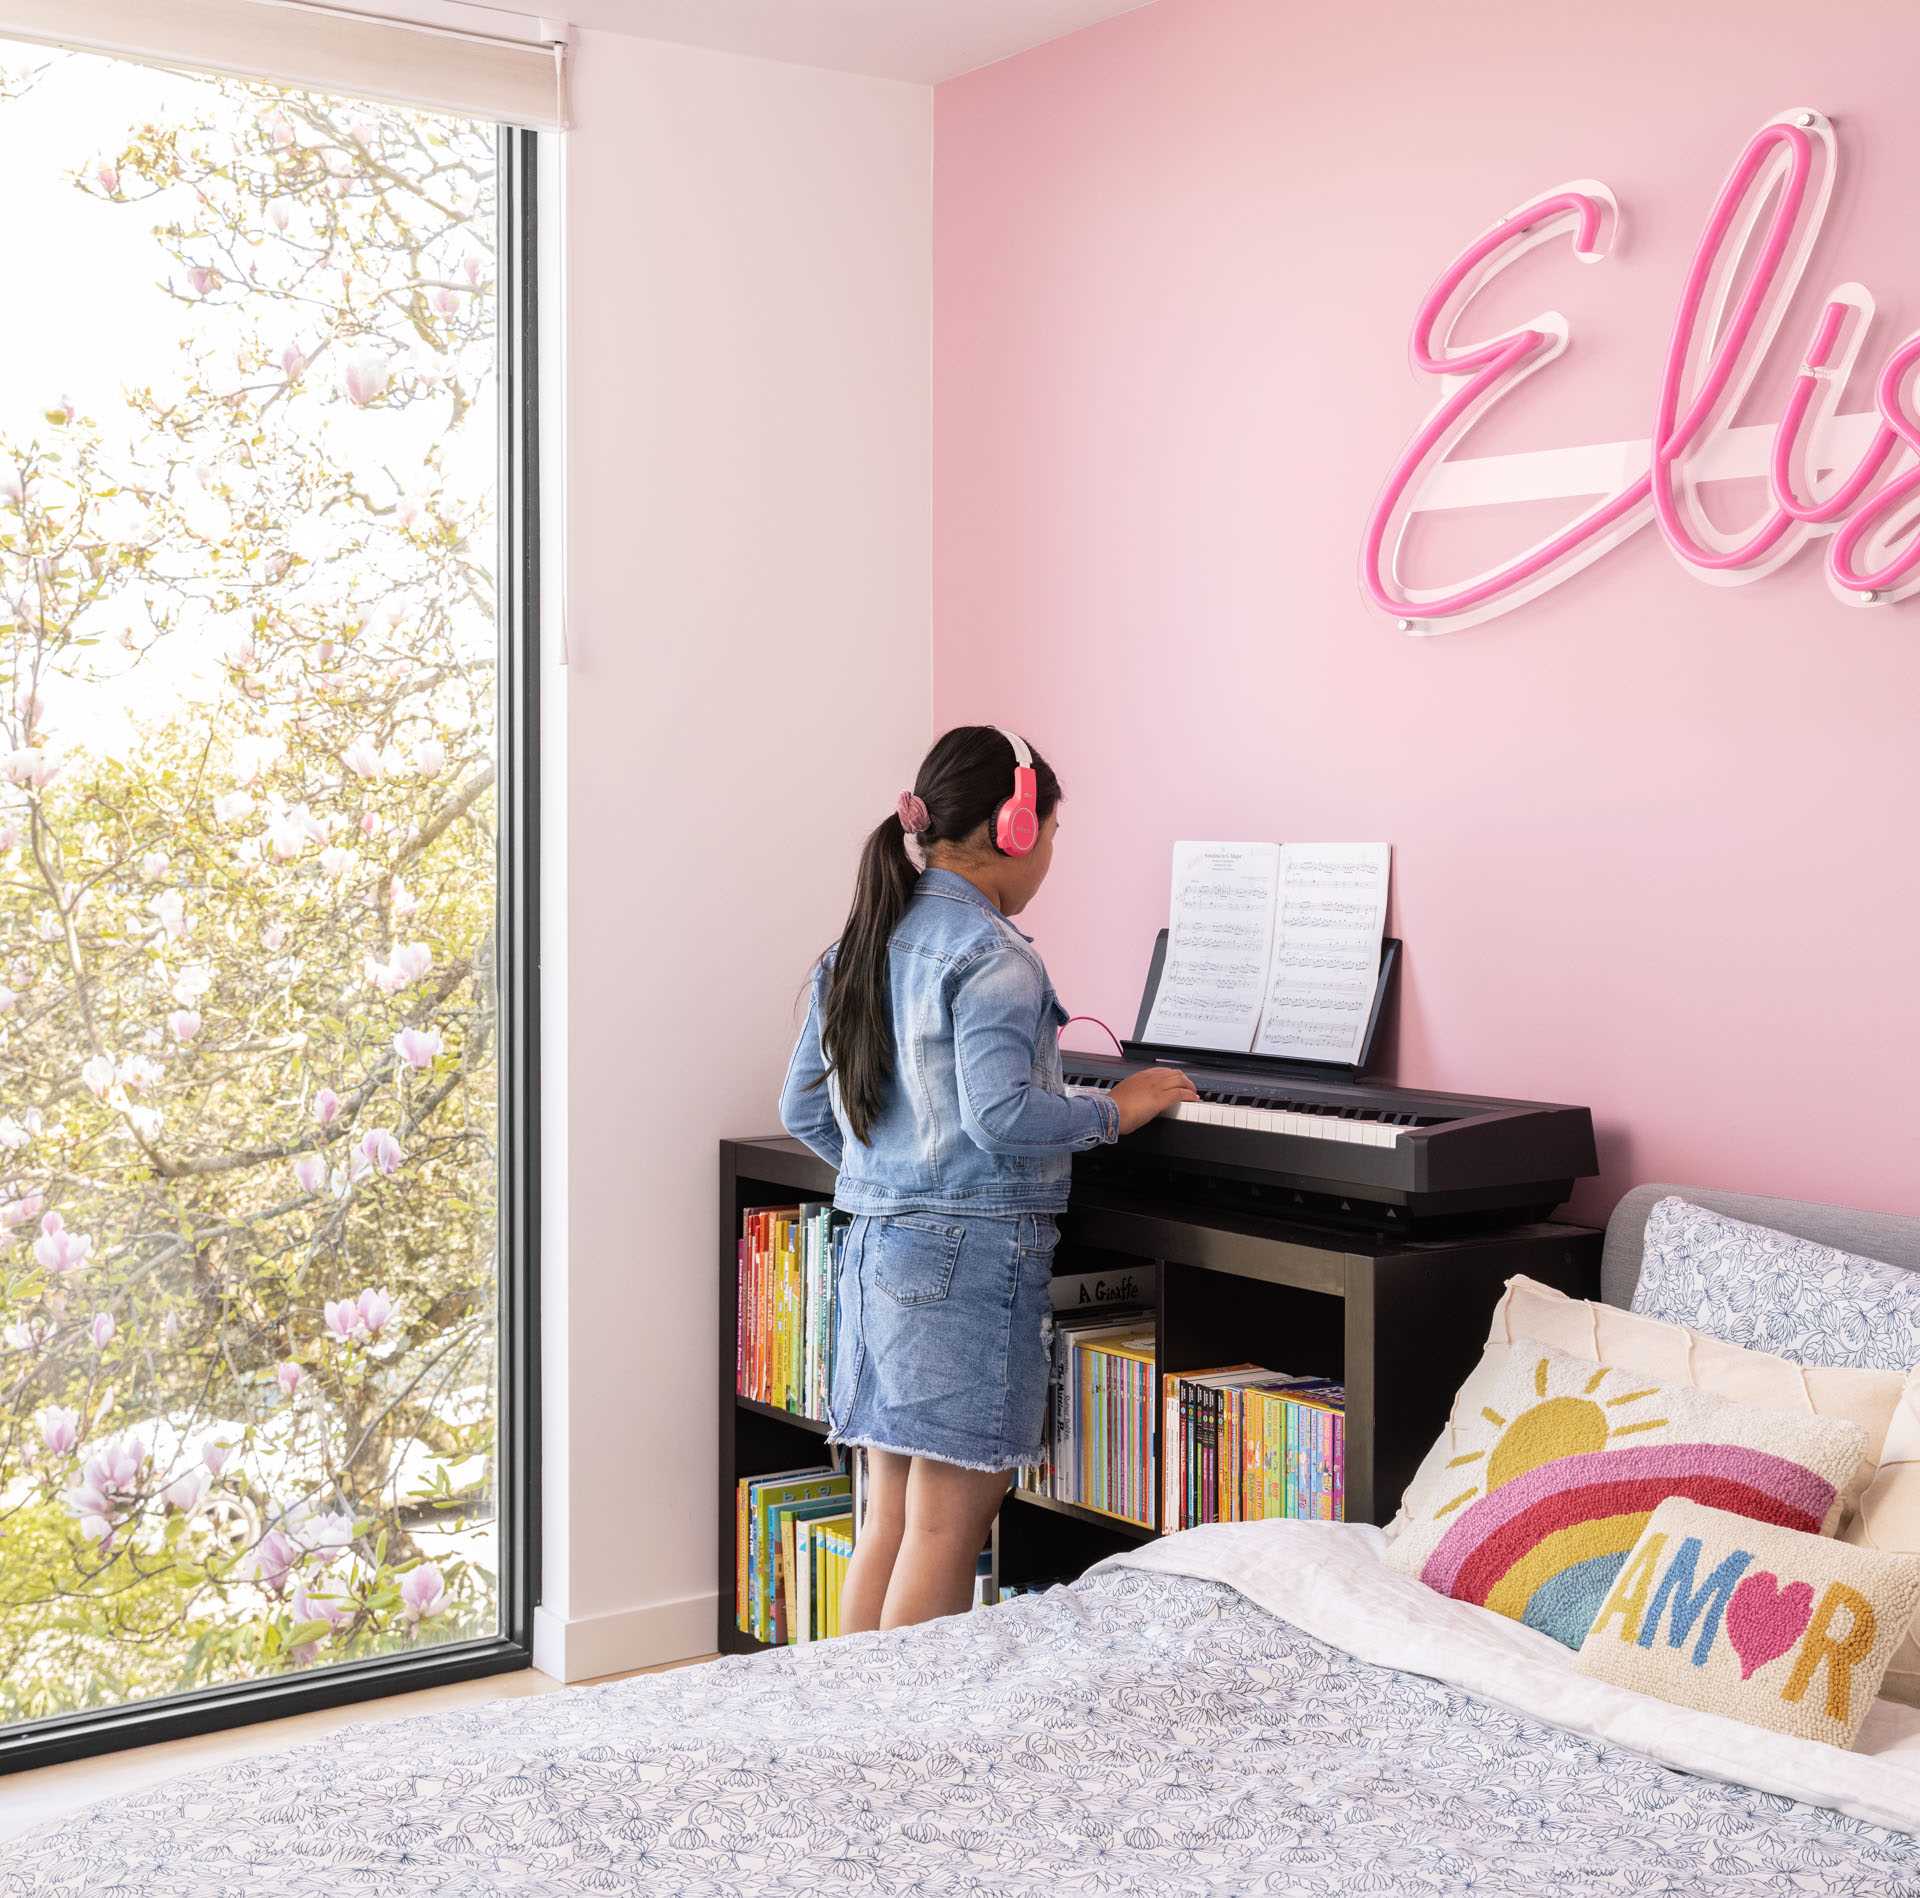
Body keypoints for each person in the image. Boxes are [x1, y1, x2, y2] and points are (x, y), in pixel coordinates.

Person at [779, 725, 1195, 1633]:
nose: (1049, 854)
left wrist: (893, 1175)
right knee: (947, 1527)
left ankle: (848, 1741)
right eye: (1051, 834)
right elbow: (1002, 1116)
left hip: (875, 1251)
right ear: (1015, 828)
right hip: (967, 1267)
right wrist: (1115, 1110)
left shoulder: (859, 943)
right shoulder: (994, 957)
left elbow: (804, 1109)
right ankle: (908, 1752)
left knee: (886, 1521)